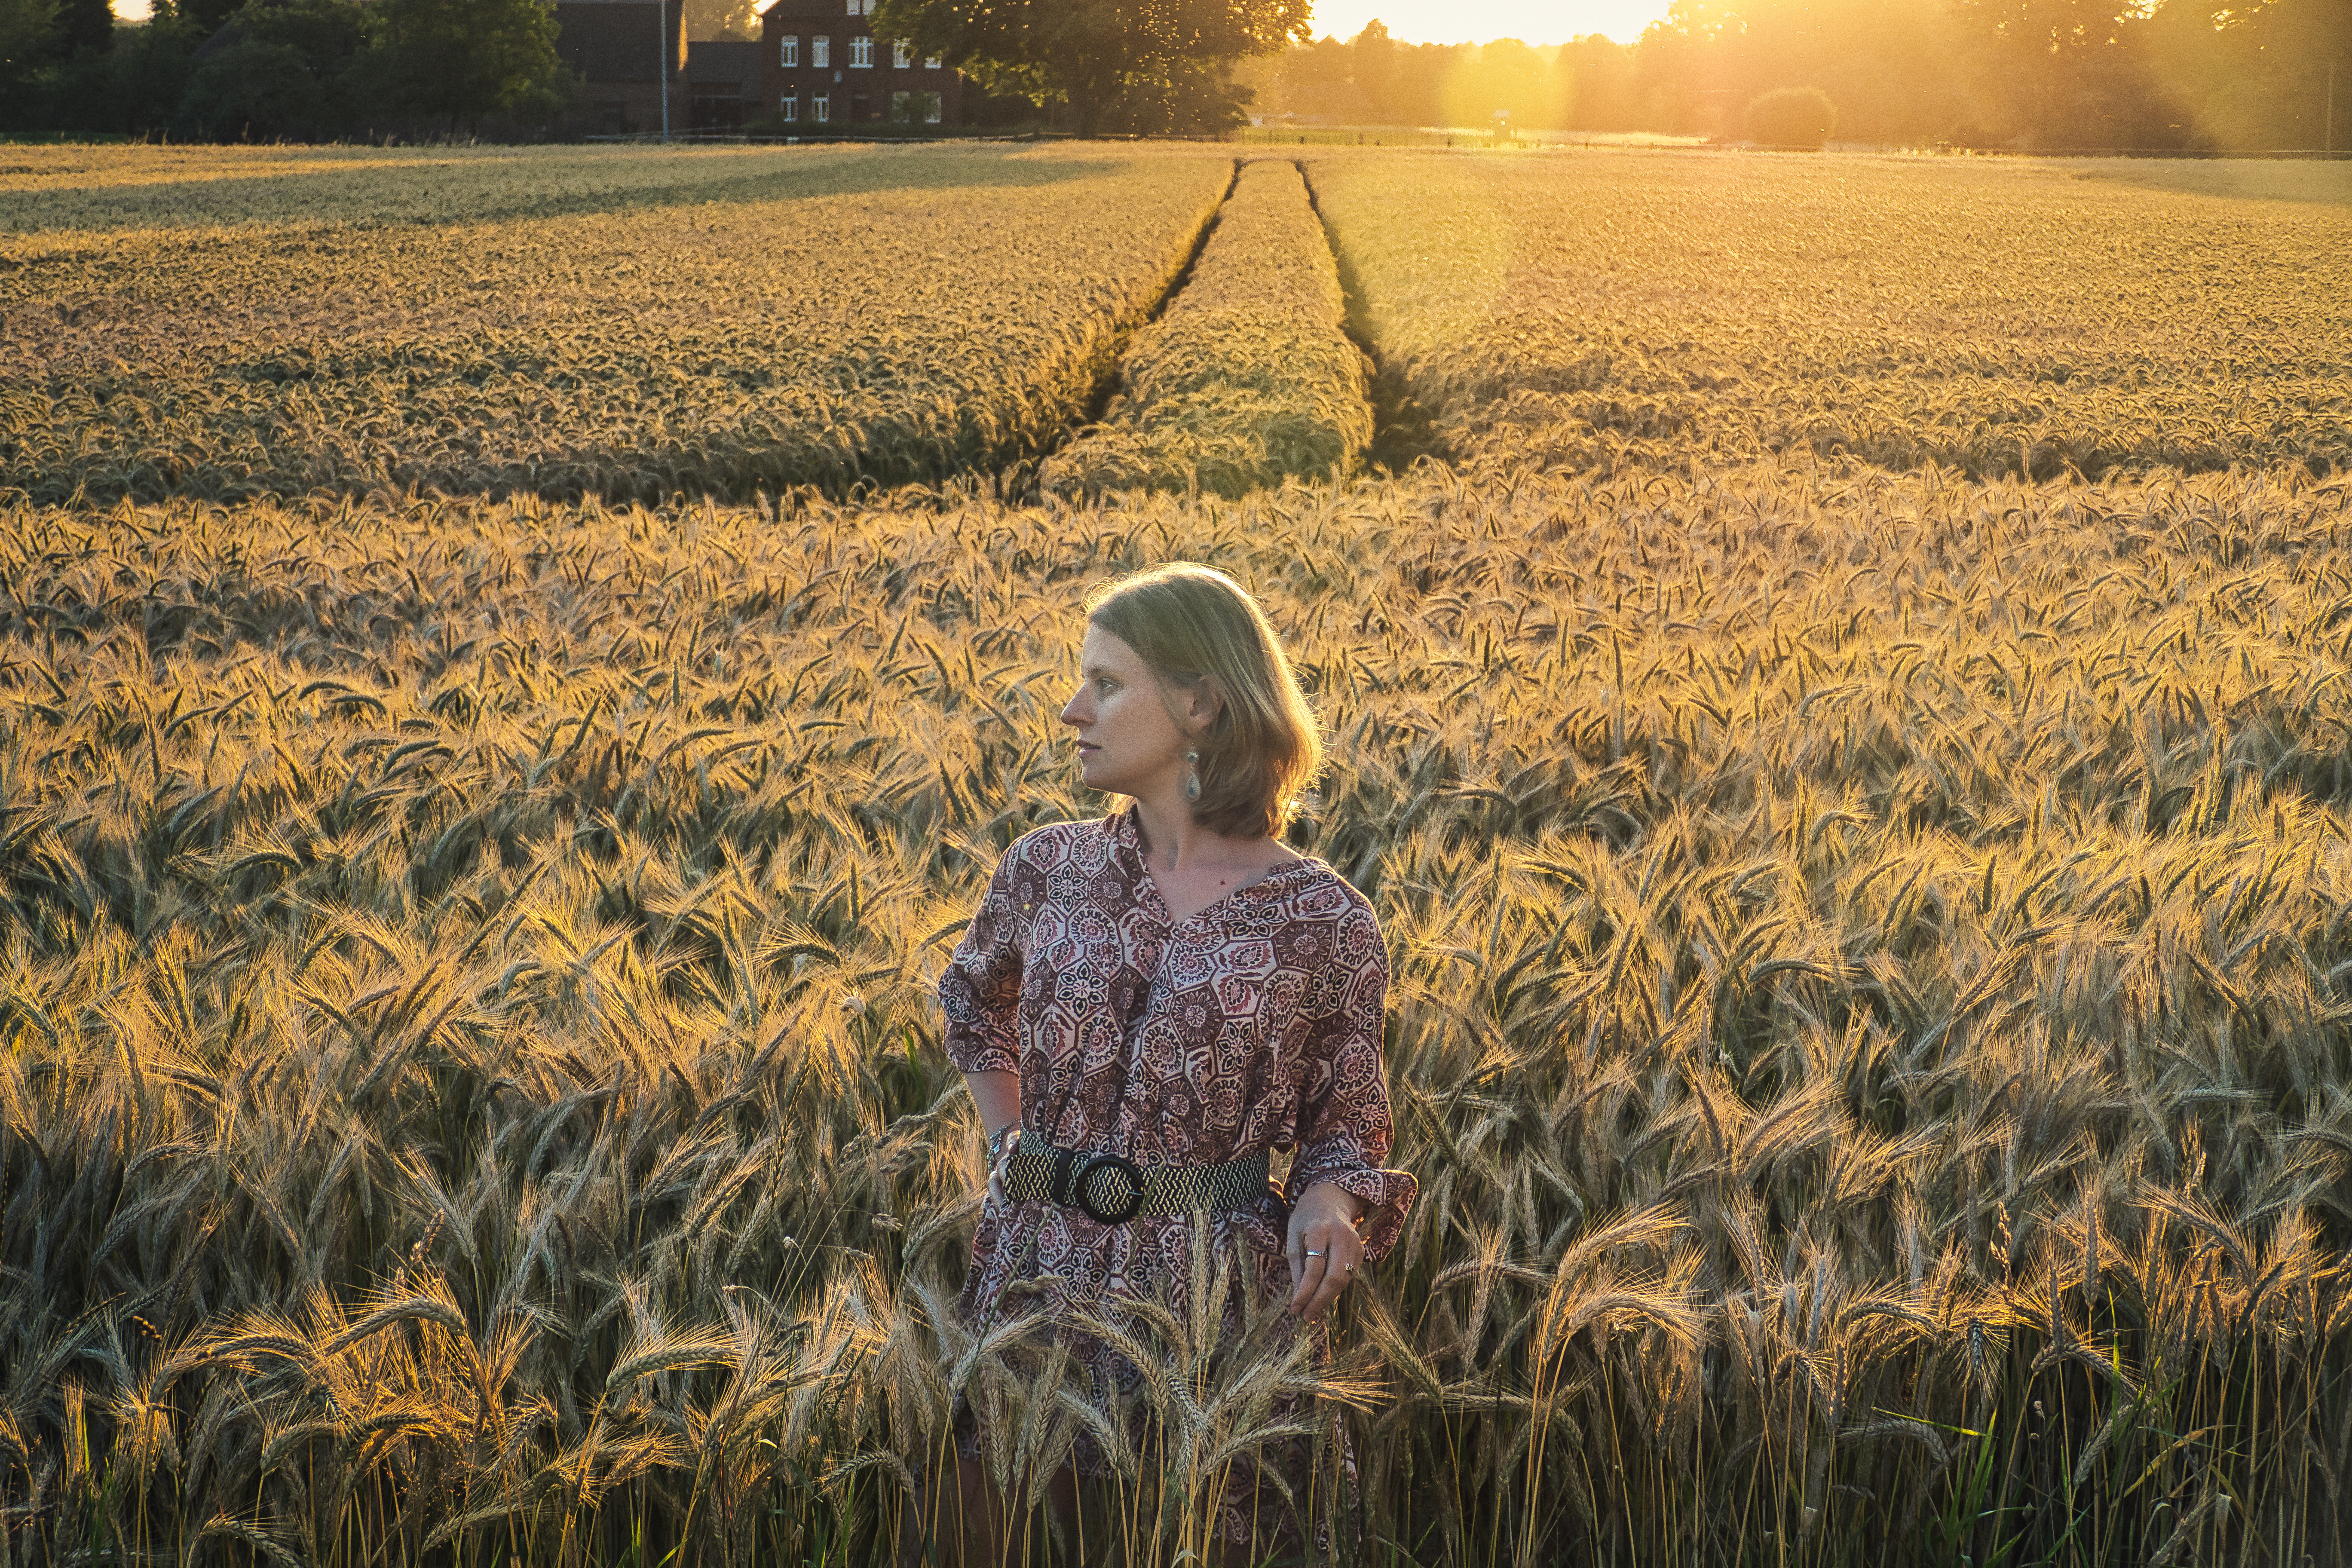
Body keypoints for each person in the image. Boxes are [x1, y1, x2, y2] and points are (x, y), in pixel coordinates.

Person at [930, 563, 1417, 1564]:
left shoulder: (1324, 920)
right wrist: (1012, 1140)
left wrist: (1330, 1202)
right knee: (1014, 1536)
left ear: (1202, 702)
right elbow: (973, 999)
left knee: (1198, 1534)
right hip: (1037, 1275)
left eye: (1106, 683)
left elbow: (1347, 1118)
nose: (1071, 710)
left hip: (1212, 1298)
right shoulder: (1047, 867)